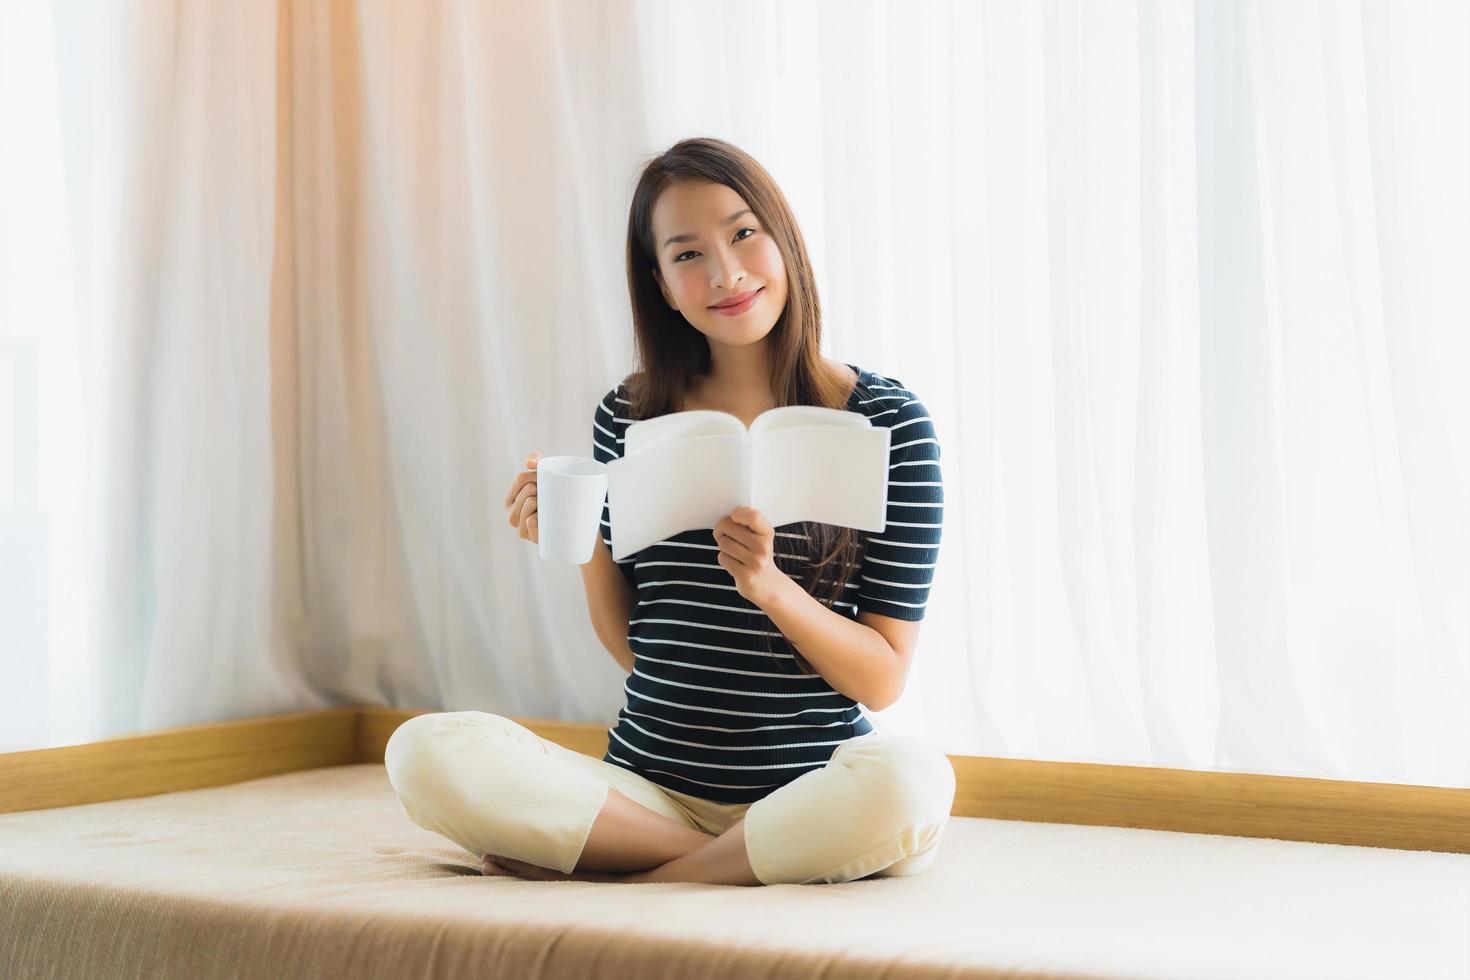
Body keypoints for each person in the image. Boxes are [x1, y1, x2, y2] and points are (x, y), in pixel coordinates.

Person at [385, 137, 953, 886]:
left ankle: (642, 873)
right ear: (660, 282)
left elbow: (881, 681)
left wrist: (770, 588)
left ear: (784, 239)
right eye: (687, 254)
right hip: (648, 790)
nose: (725, 273)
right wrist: (584, 536)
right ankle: (722, 862)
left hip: (812, 788)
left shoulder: (890, 421)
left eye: (744, 234)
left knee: (910, 782)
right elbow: (634, 646)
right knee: (424, 752)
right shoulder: (629, 414)